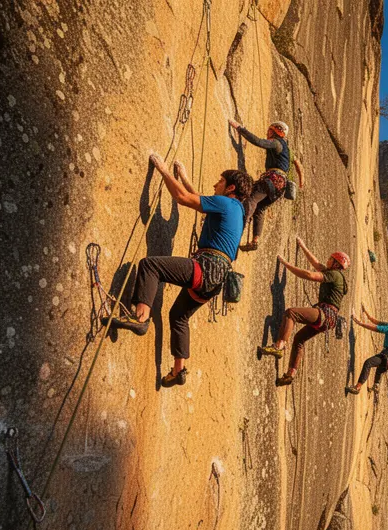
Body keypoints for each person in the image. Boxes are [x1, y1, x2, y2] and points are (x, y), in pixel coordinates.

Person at [106, 154, 253, 387]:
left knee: (150, 265)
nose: (216, 185)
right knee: (179, 316)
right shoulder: (237, 212)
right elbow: (199, 200)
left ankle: (140, 318)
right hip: (216, 281)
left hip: (205, 267)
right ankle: (178, 370)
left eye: (220, 182)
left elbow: (184, 198)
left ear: (231, 187)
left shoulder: (228, 203)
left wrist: (163, 170)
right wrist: (183, 177)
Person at [258, 237, 350, 386]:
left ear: (335, 263)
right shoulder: (336, 275)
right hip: (329, 320)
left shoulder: (335, 275)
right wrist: (302, 246)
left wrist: (286, 265)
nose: (327, 260)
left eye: (330, 259)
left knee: (291, 313)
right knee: (299, 339)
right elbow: (316, 264)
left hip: (325, 314)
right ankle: (290, 374)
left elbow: (310, 275)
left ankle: (279, 346)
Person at [227, 119, 304, 251]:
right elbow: (298, 165)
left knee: (251, 200)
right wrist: (301, 180)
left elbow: (258, 141)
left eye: (270, 130)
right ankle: (255, 240)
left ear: (275, 131)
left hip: (272, 179)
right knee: (260, 209)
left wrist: (240, 128)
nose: (267, 132)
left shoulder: (276, 143)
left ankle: (238, 229)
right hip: (280, 187)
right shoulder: (288, 150)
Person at [347, 306, 388, 394]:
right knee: (380, 369)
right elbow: (377, 322)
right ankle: (376, 385)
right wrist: (366, 312)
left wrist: (360, 323)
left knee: (368, 363)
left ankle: (357, 388)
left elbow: (377, 328)